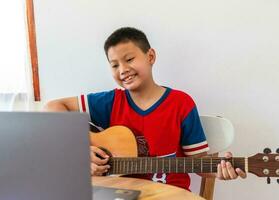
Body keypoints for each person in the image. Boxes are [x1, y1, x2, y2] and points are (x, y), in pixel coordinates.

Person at [44, 27, 246, 191]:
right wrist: (79, 149)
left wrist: (221, 169)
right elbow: (53, 106)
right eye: (114, 65)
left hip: (170, 194)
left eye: (129, 59)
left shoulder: (180, 103)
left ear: (150, 56)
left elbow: (200, 165)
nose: (123, 69)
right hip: (119, 192)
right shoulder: (111, 101)